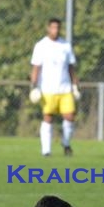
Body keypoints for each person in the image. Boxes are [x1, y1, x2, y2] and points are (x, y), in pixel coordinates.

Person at [30, 17, 80, 157]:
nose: (55, 30)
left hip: (65, 88)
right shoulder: (41, 45)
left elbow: (71, 68)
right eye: (53, 28)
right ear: (48, 28)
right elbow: (36, 68)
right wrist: (34, 86)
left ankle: (66, 143)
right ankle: (46, 150)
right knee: (48, 117)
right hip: (47, 89)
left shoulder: (65, 45)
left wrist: (75, 85)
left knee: (69, 116)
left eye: (57, 28)